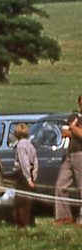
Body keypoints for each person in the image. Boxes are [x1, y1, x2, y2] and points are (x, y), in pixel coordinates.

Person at [56, 95, 82, 225]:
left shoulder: (74, 121)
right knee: (60, 185)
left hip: (80, 154)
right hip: (69, 154)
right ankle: (63, 216)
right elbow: (63, 132)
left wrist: (73, 128)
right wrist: (75, 129)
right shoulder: (73, 117)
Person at [10, 122, 38, 229]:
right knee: (28, 200)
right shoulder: (30, 145)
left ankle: (22, 222)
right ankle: (29, 220)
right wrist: (34, 175)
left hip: (22, 174)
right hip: (29, 173)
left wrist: (28, 179)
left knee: (21, 200)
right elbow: (35, 161)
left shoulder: (20, 145)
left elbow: (24, 162)